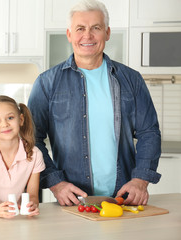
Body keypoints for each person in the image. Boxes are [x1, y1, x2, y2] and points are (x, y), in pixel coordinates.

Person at [28, 0, 161, 207]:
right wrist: (56, 183)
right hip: (72, 201)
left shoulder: (131, 79)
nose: (87, 36)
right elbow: (31, 138)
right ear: (69, 34)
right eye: (80, 28)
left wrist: (140, 180)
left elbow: (149, 132)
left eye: (95, 28)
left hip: (124, 199)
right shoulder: (46, 83)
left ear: (107, 33)